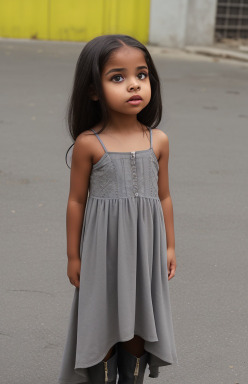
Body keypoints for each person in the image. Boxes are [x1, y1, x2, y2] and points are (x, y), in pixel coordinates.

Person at [59, 34, 178, 384]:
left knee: (141, 318)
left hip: (146, 251)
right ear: (94, 90)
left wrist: (169, 246)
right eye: (117, 77)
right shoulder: (88, 144)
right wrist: (73, 257)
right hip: (103, 252)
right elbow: (76, 201)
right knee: (104, 317)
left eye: (141, 75)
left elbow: (164, 196)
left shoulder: (158, 140)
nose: (133, 85)